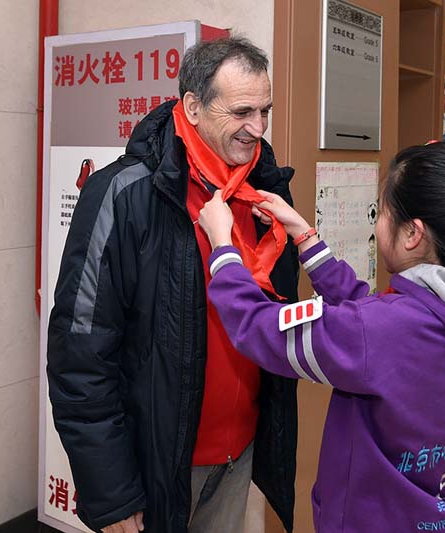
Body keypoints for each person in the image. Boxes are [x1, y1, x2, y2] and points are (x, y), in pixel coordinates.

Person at [197, 142, 445, 532]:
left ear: (413, 234)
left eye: (382, 211)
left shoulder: (383, 331)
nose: (376, 224)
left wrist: (223, 247)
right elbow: (372, 320)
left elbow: (260, 329)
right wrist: (305, 237)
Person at [47, 37, 300, 533]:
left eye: (265, 110)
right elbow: (80, 355)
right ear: (192, 106)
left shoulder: (266, 190)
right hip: (155, 465)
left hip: (238, 455)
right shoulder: (122, 194)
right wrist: (113, 491)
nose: (259, 128)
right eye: (243, 111)